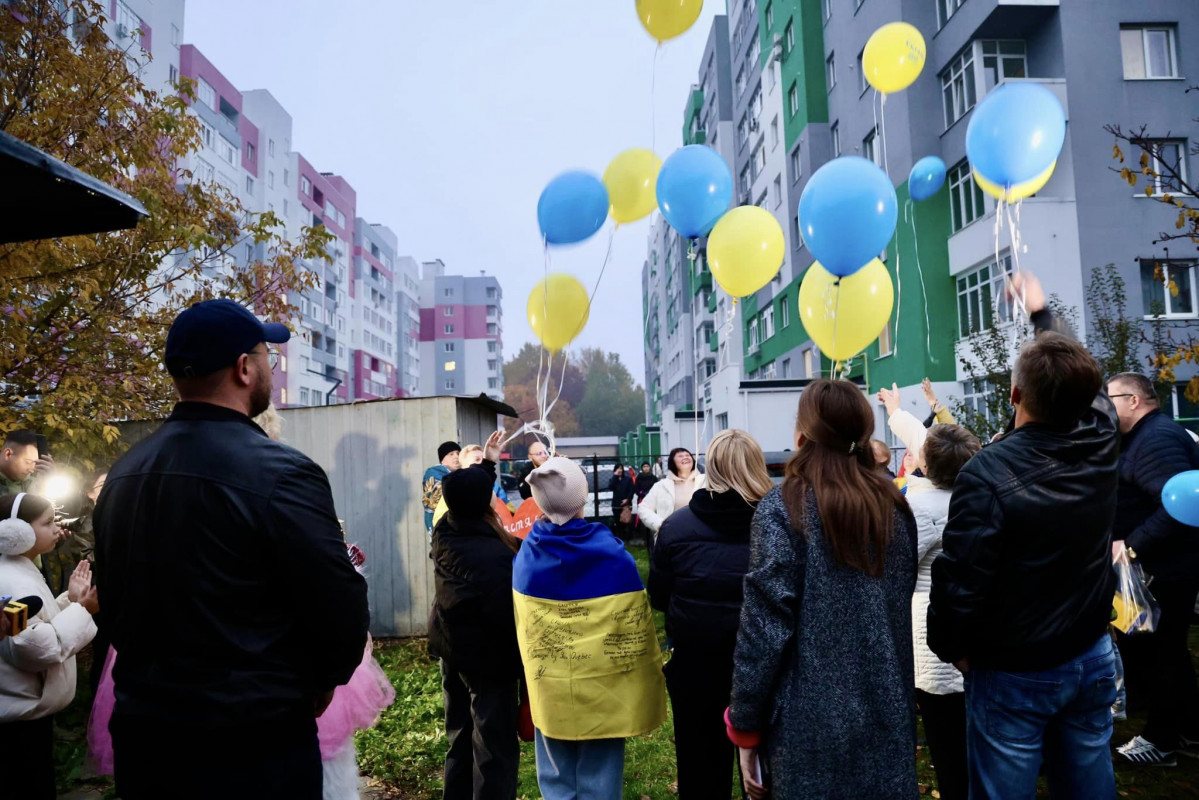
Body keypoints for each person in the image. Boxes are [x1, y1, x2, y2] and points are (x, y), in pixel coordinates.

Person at [93, 298, 369, 800]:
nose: (271, 368)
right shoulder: (283, 473)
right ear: (245, 368)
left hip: (146, 740)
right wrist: (325, 679)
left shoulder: (125, 473)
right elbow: (338, 607)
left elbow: (112, 603)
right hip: (252, 744)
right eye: (269, 356)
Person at [928, 272, 1119, 799]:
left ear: (1014, 393)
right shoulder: (1103, 436)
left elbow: (961, 579)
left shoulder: (986, 474)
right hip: (1090, 649)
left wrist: (950, 648)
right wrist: (1042, 317)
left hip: (1016, 668)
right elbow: (1085, 379)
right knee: (1089, 783)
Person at [725, 380, 917, 800]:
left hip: (807, 727)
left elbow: (763, 630)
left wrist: (744, 725)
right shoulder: (894, 507)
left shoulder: (784, 508)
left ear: (802, 435)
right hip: (886, 709)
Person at [515, 456, 666, 800]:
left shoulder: (527, 555)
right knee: (601, 768)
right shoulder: (611, 554)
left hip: (549, 685)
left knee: (555, 769)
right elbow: (634, 621)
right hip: (605, 687)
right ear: (582, 499)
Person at [649, 430, 773, 799]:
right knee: (769, 776)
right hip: (767, 663)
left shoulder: (677, 526)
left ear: (712, 466)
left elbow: (659, 595)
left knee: (701, 771)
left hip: (697, 663)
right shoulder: (782, 524)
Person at [1106, 371, 1199, 765]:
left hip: (1162, 569)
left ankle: (1162, 740)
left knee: (1160, 652)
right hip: (1152, 568)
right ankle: (1189, 731)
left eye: (1111, 398)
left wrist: (1132, 545)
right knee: (1162, 651)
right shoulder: (1142, 437)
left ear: (1134, 400)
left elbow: (1177, 506)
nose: (1106, 407)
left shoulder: (1157, 439)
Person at [429, 430, 523, 800]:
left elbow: (470, 492)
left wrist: (487, 461)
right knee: (493, 747)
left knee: (460, 734)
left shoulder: (443, 533)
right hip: (488, 660)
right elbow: (504, 616)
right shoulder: (497, 555)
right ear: (488, 505)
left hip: (452, 650)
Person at [0, 492, 99, 799]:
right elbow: (35, 649)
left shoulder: (18, 568)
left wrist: (70, 600)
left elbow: (41, 620)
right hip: (19, 725)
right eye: (47, 523)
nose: (58, 528)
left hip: (27, 716)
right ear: (17, 533)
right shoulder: (10, 580)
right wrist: (84, 610)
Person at [909, 425, 980, 800]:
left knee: (947, 739)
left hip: (933, 628)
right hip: (974, 624)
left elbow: (901, 567)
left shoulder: (919, 508)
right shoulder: (985, 497)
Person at [432, 444, 510, 528]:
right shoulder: (453, 494)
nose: (482, 463)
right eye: (477, 460)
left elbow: (510, 511)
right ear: (464, 467)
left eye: (484, 460)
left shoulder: (495, 488)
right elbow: (439, 525)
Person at [637, 447, 706, 541]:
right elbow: (643, 508)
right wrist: (660, 524)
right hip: (672, 540)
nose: (685, 457)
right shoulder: (661, 486)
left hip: (701, 538)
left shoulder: (706, 481)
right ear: (672, 462)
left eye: (688, 455)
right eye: (680, 456)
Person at [424, 441, 461, 538]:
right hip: (442, 526)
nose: (456, 456)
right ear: (442, 460)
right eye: (451, 454)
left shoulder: (463, 473)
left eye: (458, 453)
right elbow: (436, 502)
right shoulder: (434, 474)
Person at [0, 430, 52, 494]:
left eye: (35, 463)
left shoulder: (31, 484)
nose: (31, 470)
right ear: (8, 454)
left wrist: (45, 482)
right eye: (28, 462)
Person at [609, 463, 635, 540]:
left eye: (621, 468)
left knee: (626, 522)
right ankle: (618, 538)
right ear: (615, 470)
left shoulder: (628, 479)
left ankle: (627, 538)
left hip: (626, 505)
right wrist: (615, 476)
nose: (619, 470)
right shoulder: (613, 479)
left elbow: (632, 490)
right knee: (617, 522)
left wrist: (627, 499)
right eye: (617, 469)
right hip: (616, 505)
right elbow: (611, 487)